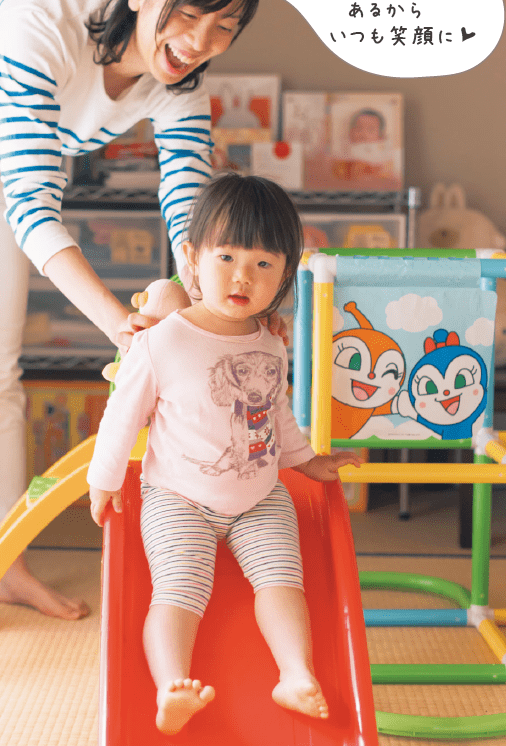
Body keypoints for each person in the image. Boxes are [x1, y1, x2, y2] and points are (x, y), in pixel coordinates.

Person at [0, 0, 260, 661]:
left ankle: (4, 563)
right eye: (188, 13)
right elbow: (34, 206)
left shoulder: (180, 84)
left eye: (223, 27)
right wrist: (118, 322)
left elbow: (187, 209)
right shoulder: (40, 30)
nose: (199, 41)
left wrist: (206, 310)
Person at [88, 173, 361, 735]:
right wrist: (104, 477)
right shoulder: (163, 340)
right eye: (228, 257)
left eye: (264, 264)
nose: (243, 276)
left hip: (260, 498)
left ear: (285, 275)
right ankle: (171, 686)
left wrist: (307, 461)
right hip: (178, 499)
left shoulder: (269, 341)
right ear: (192, 259)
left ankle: (294, 674)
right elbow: (122, 414)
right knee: (180, 588)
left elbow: (277, 413)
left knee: (283, 581)